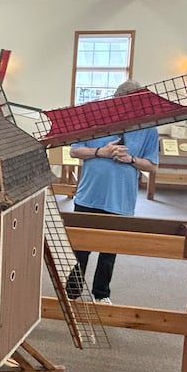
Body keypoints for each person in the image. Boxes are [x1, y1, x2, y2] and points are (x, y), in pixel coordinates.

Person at [69, 80, 159, 304]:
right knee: (80, 247)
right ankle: (72, 292)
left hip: (121, 200)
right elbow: (74, 151)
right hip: (89, 195)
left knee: (110, 250)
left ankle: (101, 294)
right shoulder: (94, 118)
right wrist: (101, 151)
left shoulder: (149, 128)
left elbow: (152, 165)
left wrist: (131, 159)